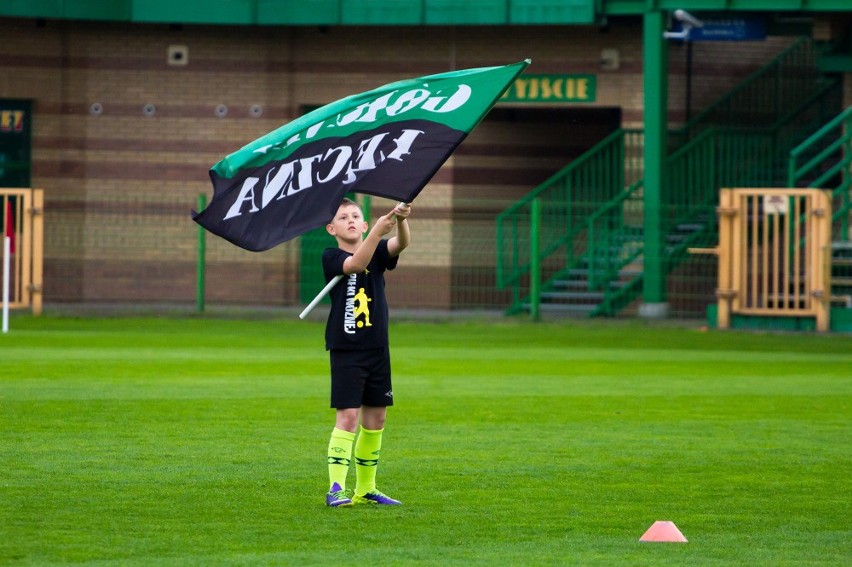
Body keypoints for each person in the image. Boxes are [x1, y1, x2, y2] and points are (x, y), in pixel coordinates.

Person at [322, 198, 411, 507]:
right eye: (343, 217)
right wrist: (375, 232)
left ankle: (366, 488)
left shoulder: (377, 252)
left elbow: (401, 243)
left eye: (355, 216)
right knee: (347, 416)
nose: (350, 220)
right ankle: (335, 488)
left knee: (376, 419)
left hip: (377, 348)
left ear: (362, 224)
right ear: (331, 228)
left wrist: (400, 219)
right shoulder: (331, 256)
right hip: (347, 349)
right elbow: (356, 264)